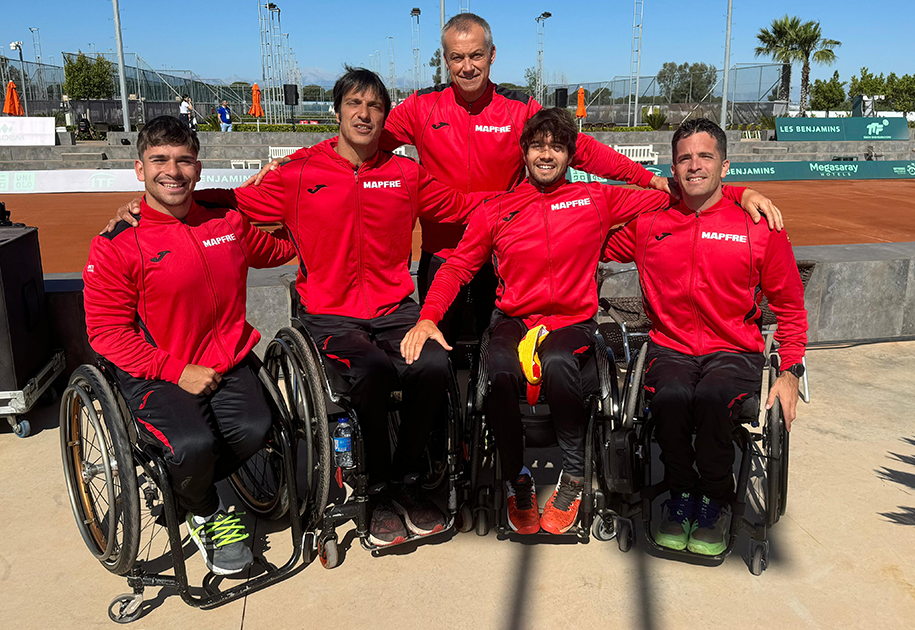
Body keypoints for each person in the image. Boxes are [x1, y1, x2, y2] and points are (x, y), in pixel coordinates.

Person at [106, 68, 496, 548]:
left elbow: (466, 205)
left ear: (385, 117)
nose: (364, 114)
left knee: (434, 362)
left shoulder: (405, 174)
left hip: (396, 309)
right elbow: (233, 201)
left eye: (375, 106)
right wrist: (147, 206)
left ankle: (407, 479)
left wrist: (536, 199)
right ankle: (374, 487)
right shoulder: (300, 173)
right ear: (337, 112)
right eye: (354, 104)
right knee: (372, 371)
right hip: (329, 314)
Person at [400, 108, 779, 536]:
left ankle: (574, 477)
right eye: (538, 146)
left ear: (570, 156)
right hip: (515, 318)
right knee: (501, 371)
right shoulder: (496, 209)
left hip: (571, 321)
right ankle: (515, 479)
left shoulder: (596, 200)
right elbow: (457, 267)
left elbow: (685, 193)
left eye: (557, 147)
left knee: (561, 361)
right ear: (523, 153)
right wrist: (428, 316)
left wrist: (739, 194)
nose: (547, 155)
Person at [250, 12, 675, 349]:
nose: (467, 66)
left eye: (476, 56)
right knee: (438, 348)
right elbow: (362, 137)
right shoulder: (421, 106)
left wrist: (644, 178)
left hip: (501, 246)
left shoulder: (519, 106)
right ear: (445, 59)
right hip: (441, 251)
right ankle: (444, 450)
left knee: (495, 346)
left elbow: (580, 148)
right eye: (457, 57)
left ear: (492, 56)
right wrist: (300, 157)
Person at [83, 116, 296, 575]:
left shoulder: (227, 222)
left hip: (227, 360)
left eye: (183, 161)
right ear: (140, 170)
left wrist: (306, 209)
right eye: (159, 160)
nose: (172, 171)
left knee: (257, 428)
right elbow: (105, 332)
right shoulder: (117, 244)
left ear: (198, 169)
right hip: (155, 371)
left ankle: (194, 486)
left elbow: (280, 250)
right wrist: (175, 370)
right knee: (193, 445)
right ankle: (203, 508)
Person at [602, 117, 808, 556]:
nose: (694, 165)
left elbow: (790, 307)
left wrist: (789, 370)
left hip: (733, 348)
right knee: (673, 398)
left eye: (705, 156)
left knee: (714, 398)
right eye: (684, 158)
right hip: (670, 345)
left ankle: (715, 496)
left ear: (725, 165)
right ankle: (681, 492)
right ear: (672, 169)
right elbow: (588, 238)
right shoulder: (649, 223)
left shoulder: (759, 227)